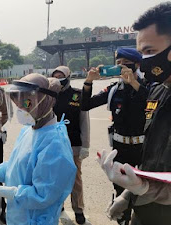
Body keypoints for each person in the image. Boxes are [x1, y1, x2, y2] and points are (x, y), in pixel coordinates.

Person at [98, 2, 171, 225]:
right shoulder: (158, 91)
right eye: (142, 53)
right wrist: (128, 194)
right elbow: (152, 159)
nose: (145, 61)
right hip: (145, 214)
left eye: (150, 51)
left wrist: (145, 189)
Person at [0, 73, 77, 225]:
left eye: (27, 104)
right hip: (18, 218)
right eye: (18, 104)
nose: (21, 108)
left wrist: (2, 191)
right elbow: (18, 168)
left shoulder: (55, 144)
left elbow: (42, 195)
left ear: (46, 101)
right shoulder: (29, 130)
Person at [81, 47, 147, 224]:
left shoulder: (148, 85)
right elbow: (85, 104)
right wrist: (89, 81)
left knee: (144, 191)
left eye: (126, 64)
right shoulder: (113, 89)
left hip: (143, 149)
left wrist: (133, 82)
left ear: (137, 65)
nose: (122, 67)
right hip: (119, 149)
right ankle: (123, 220)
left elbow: (150, 102)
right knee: (120, 188)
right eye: (118, 64)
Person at [52, 66, 90, 224]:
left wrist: (85, 145)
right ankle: (59, 208)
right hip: (54, 146)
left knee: (76, 180)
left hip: (73, 145)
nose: (58, 78)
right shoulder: (50, 95)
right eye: (55, 76)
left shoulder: (78, 95)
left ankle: (79, 211)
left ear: (68, 76)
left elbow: (84, 122)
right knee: (56, 179)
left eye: (61, 76)